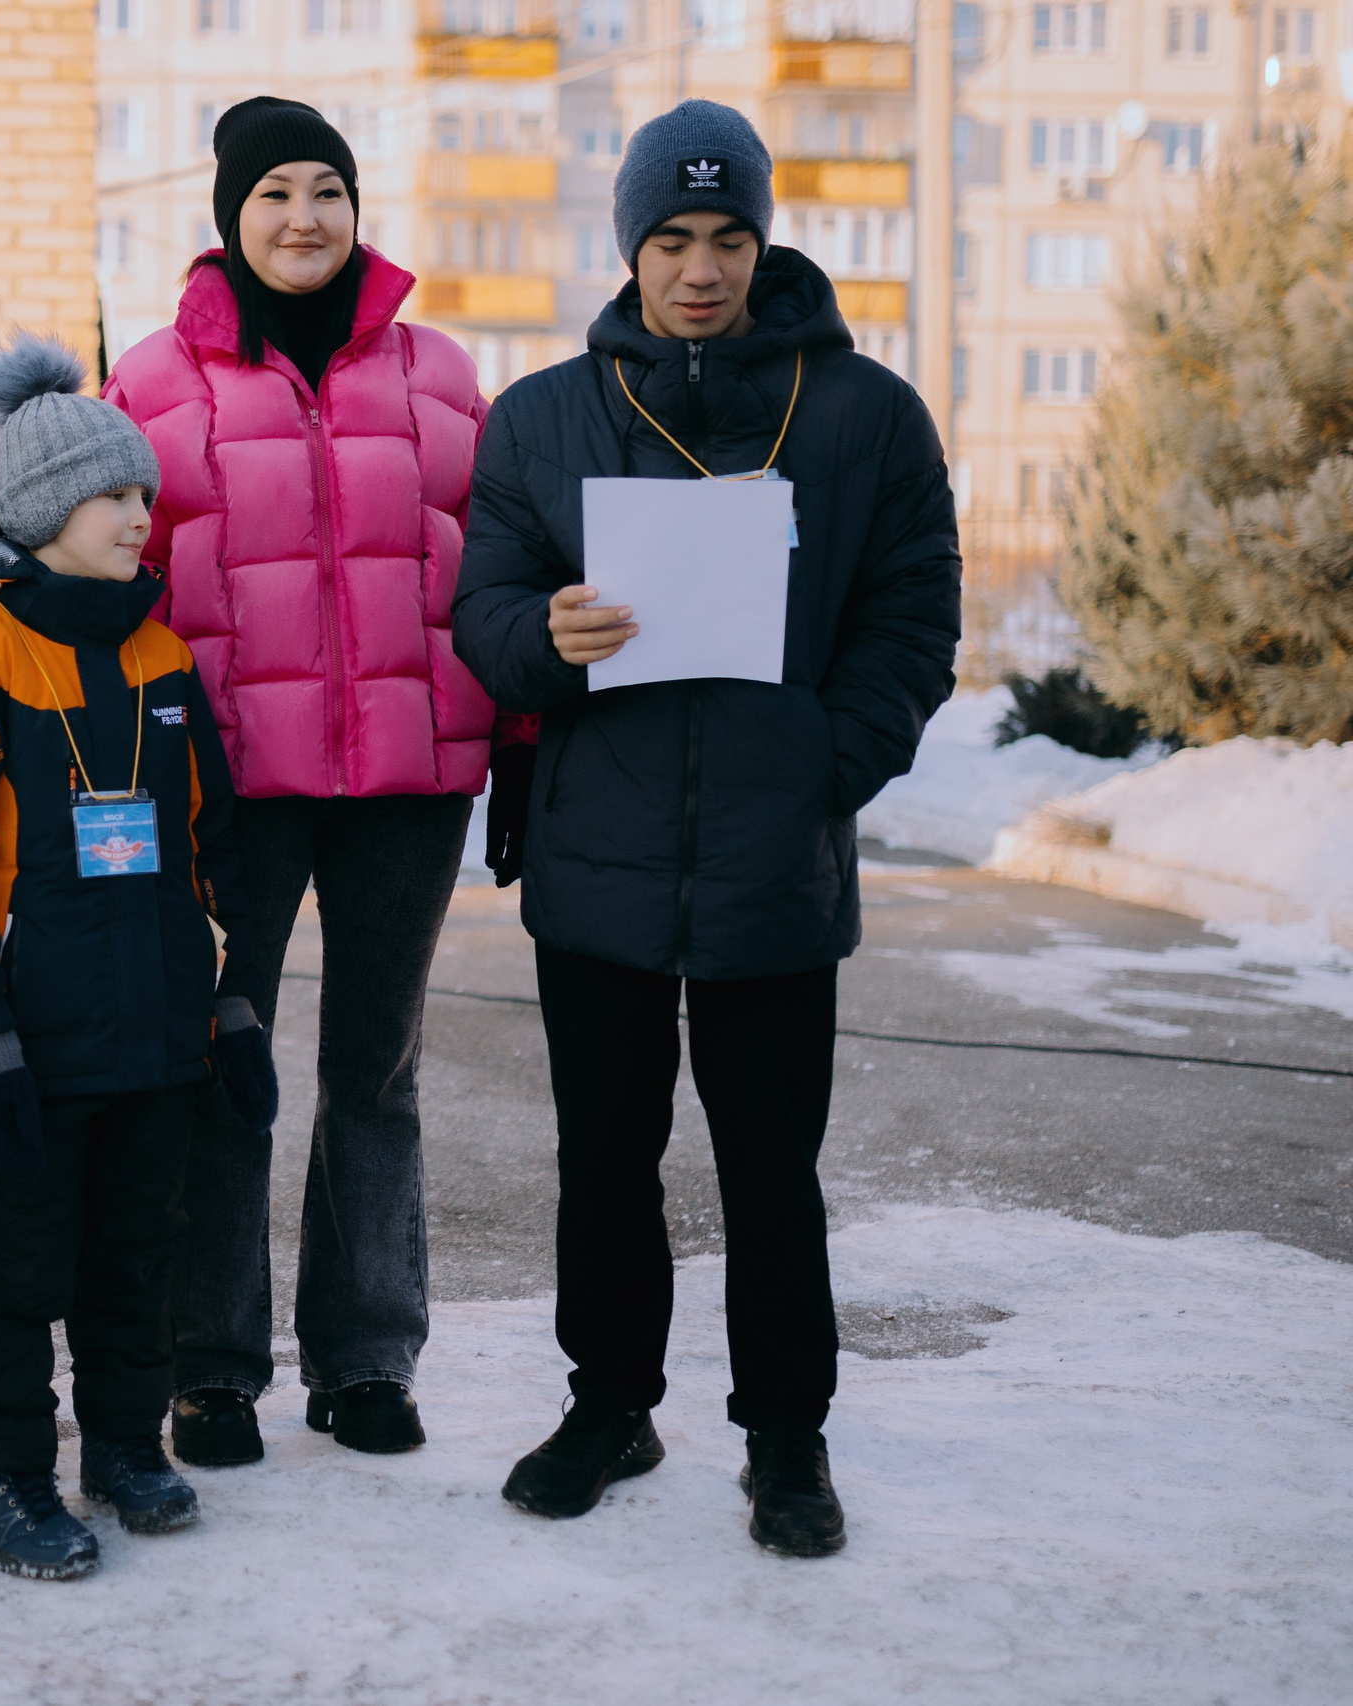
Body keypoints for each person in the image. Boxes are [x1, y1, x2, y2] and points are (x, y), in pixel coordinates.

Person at [449, 100, 962, 1557]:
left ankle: (787, 1435)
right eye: (670, 238)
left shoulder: (861, 413)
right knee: (603, 1151)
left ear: (763, 240)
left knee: (767, 1161)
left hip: (772, 859)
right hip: (596, 858)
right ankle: (610, 1401)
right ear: (630, 248)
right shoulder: (544, 417)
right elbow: (484, 609)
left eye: (728, 235)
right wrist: (544, 634)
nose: (700, 267)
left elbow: (914, 605)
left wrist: (829, 757)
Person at [104, 98, 529, 1467]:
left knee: (378, 1069)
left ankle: (362, 1357)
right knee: (227, 1063)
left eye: (327, 190)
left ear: (358, 209)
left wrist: (513, 751)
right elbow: (110, 587)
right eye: (275, 190)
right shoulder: (154, 383)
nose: (304, 216)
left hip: (408, 782)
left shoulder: (441, 376)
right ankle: (212, 1367)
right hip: (228, 789)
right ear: (230, 212)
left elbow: (498, 574)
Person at [0, 339, 271, 1579]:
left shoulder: (161, 657)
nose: (141, 520)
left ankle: (122, 1441)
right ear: (48, 511)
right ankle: (0, 1470)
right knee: (6, 1273)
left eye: (146, 497)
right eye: (119, 498)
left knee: (134, 1255)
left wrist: (237, 1009)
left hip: (156, 1033)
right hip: (28, 1050)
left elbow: (213, 850)